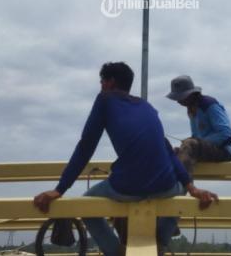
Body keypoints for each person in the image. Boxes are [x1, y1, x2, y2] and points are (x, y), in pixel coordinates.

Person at [34, 62, 218, 256]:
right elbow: (168, 152)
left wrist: (59, 189)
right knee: (180, 191)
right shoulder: (147, 107)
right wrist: (192, 188)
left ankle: (116, 252)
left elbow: (86, 146)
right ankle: (161, 244)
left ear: (110, 82)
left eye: (102, 81)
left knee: (87, 205)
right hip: (164, 186)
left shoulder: (105, 100)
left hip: (128, 187)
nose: (101, 85)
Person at [166, 75, 231, 175]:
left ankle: (183, 182)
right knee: (175, 152)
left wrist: (195, 142)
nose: (178, 101)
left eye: (180, 97)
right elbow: (196, 138)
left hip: (225, 150)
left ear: (190, 94)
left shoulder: (209, 104)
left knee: (189, 144)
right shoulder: (192, 109)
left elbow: (227, 135)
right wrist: (190, 142)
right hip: (206, 149)